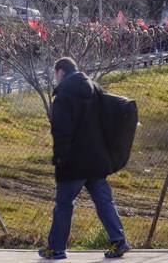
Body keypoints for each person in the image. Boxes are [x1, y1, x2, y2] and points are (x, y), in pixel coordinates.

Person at [38, 57, 130, 260]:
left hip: (74, 161)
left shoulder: (63, 95)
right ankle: (119, 241)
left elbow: (61, 130)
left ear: (60, 72)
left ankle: (56, 248)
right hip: (97, 159)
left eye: (55, 74)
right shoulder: (95, 88)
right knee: (104, 201)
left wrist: (60, 158)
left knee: (64, 203)